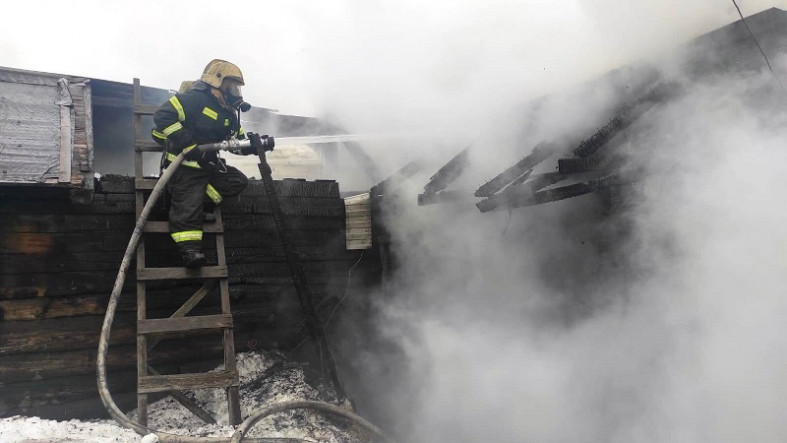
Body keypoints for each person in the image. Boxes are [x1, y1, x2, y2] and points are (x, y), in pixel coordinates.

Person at [152, 59, 259, 268]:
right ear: (217, 83)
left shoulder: (229, 112)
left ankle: (198, 199)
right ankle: (190, 250)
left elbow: (236, 142)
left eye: (237, 88)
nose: (235, 92)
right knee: (188, 209)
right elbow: (163, 115)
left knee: (237, 181)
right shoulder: (194, 100)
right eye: (232, 87)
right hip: (184, 168)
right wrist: (187, 143)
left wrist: (252, 145)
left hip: (208, 168)